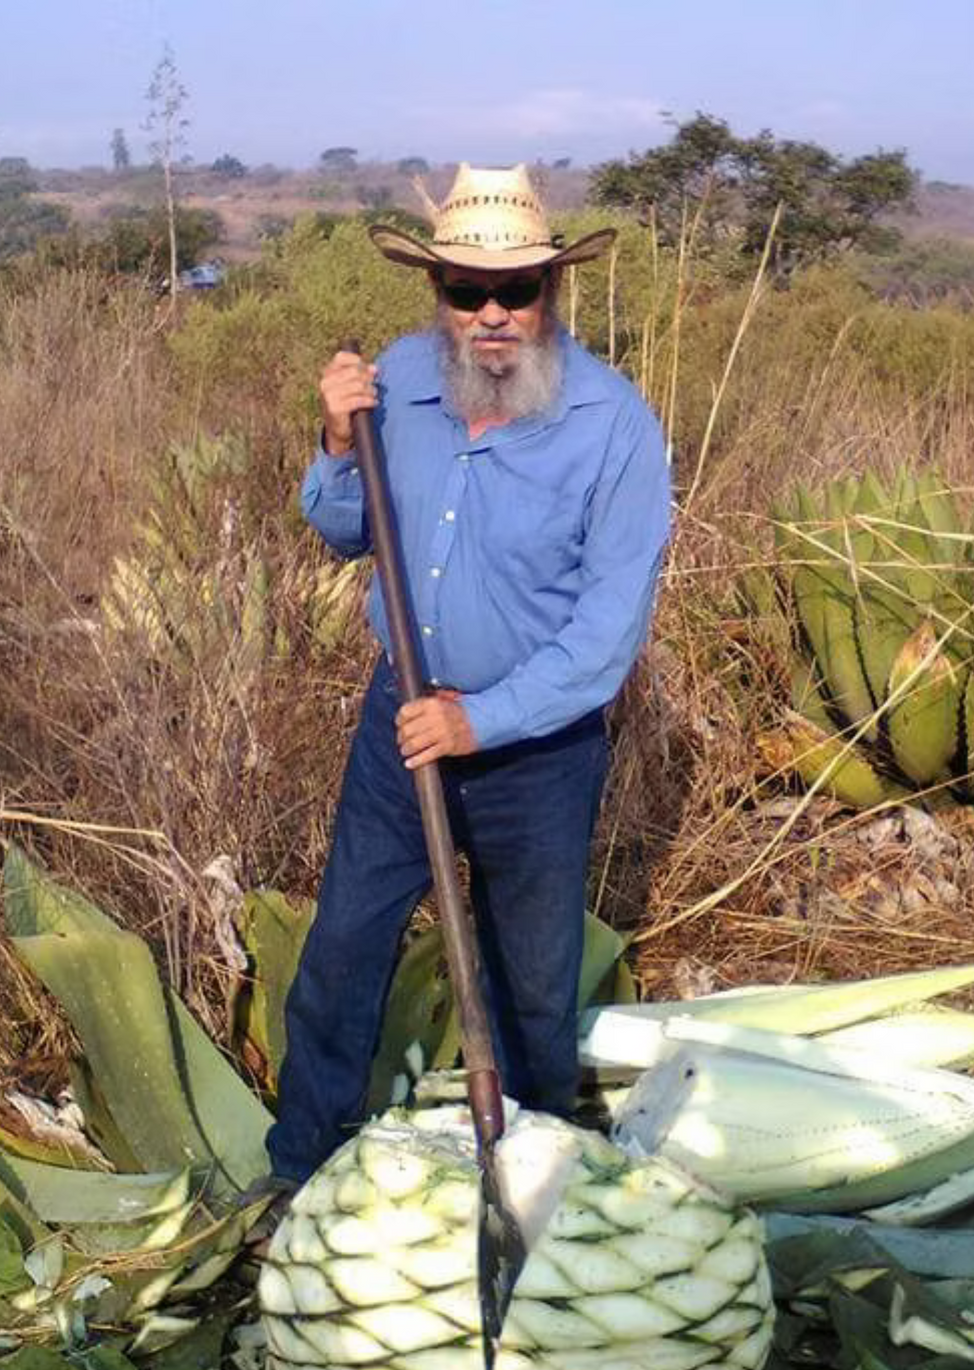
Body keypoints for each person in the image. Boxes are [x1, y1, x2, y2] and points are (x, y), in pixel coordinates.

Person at [263, 163, 672, 1191]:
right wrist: (333, 444)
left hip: (535, 751)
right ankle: (297, 1172)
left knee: (530, 985)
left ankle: (534, 1183)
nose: (491, 314)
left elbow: (603, 638)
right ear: (436, 292)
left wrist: (477, 722)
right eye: (464, 291)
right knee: (344, 949)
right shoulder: (397, 378)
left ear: (551, 291)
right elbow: (343, 531)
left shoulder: (613, 426)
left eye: (516, 291)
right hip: (397, 723)